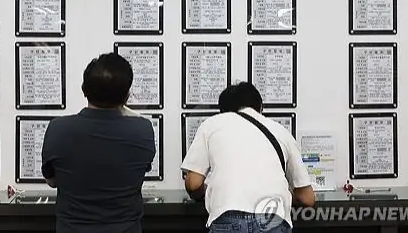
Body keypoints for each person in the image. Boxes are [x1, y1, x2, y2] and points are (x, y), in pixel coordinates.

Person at [41, 53, 156, 233]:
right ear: (127, 95)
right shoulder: (142, 130)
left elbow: (52, 181)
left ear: (84, 89)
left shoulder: (58, 128)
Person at [181, 82, 315, 233]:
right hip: (273, 219)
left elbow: (193, 183)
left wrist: (205, 194)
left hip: (228, 216)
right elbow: (307, 198)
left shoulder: (212, 124)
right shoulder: (281, 132)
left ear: (223, 111)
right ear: (260, 107)